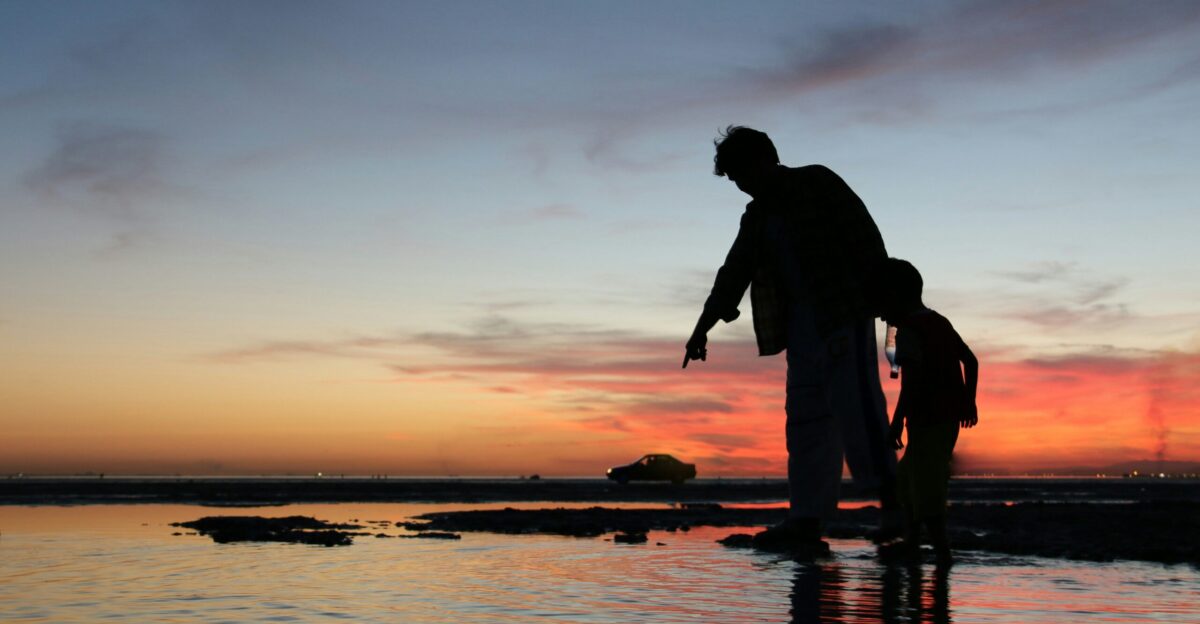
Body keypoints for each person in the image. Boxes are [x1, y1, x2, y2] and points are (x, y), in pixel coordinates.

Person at [683, 126, 899, 554]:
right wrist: (703, 326)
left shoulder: (817, 182)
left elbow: (866, 239)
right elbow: (735, 270)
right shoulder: (757, 216)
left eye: (742, 171)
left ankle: (898, 509)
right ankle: (806, 518)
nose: (742, 183)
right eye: (734, 178)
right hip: (801, 330)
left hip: (844, 316)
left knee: (858, 410)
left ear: (766, 157)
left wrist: (891, 303)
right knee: (805, 422)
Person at [880, 258, 979, 562]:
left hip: (928, 420)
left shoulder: (910, 330)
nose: (879, 310)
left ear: (896, 296)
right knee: (909, 478)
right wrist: (967, 400)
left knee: (925, 484)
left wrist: (896, 424)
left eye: (881, 298)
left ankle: (941, 550)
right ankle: (913, 542)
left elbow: (911, 383)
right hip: (941, 419)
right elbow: (971, 361)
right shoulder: (939, 321)